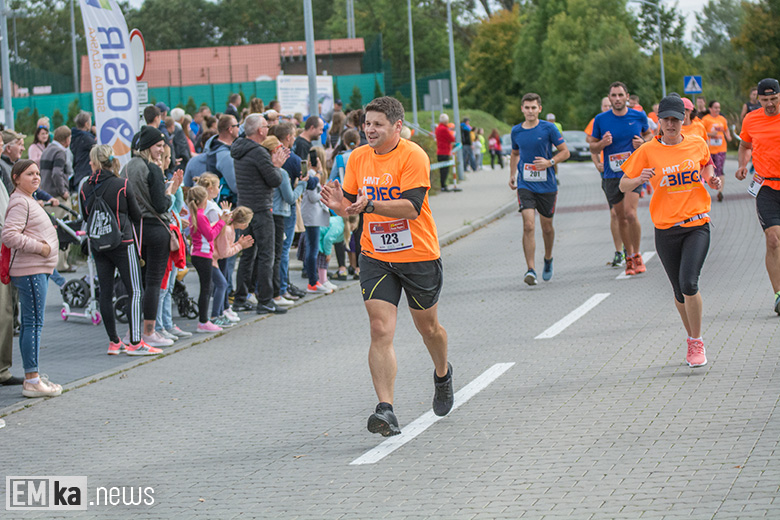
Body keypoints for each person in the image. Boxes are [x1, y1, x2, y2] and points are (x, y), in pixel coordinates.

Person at [321, 96, 453, 437]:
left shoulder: (413, 155)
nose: (369, 129)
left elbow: (411, 207)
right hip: (376, 255)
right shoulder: (358, 158)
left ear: (397, 126)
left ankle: (442, 373)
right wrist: (340, 206)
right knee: (380, 328)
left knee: (429, 329)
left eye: (377, 124)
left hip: (418, 254)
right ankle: (386, 409)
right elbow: (352, 205)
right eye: (367, 123)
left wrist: (370, 205)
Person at [620, 94, 720, 367]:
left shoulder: (697, 143)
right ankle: (690, 338)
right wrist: (638, 179)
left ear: (683, 119)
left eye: (676, 119)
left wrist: (711, 177)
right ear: (659, 122)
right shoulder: (649, 150)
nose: (672, 124)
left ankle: (697, 341)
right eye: (667, 119)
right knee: (678, 291)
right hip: (665, 229)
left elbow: (707, 163)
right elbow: (623, 185)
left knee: (689, 283)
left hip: (697, 224)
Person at [79, 145, 162, 356]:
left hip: (98, 244)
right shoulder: (122, 185)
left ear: (94, 162)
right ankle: (135, 342)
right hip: (123, 243)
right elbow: (136, 215)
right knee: (135, 290)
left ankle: (114, 342)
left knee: (105, 293)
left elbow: (86, 216)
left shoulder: (84, 187)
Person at [1, 160, 62, 397]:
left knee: (32, 324)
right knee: (33, 324)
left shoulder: (26, 200)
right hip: (31, 271)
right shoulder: (19, 202)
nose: (36, 177)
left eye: (37, 173)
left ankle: (33, 377)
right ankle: (32, 379)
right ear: (16, 177)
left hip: (36, 270)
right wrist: (40, 248)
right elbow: (9, 235)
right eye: (29, 174)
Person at [122, 126, 183, 347]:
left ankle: (134, 331)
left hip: (135, 230)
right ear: (148, 146)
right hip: (156, 228)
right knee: (154, 283)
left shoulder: (126, 167)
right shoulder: (153, 169)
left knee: (137, 284)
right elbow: (161, 204)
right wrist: (171, 193)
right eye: (158, 145)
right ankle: (149, 330)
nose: (161, 149)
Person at [588, 81, 654, 276]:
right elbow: (592, 147)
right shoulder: (600, 119)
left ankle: (638, 254)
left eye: (620, 95)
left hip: (633, 172)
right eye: (613, 96)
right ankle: (629, 256)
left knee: (631, 214)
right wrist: (602, 143)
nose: (617, 99)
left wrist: (643, 142)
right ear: (609, 98)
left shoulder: (638, 115)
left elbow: (650, 135)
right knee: (621, 218)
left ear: (627, 96)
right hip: (611, 175)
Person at [509, 93, 570, 285]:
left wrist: (549, 162)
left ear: (539, 109)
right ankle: (531, 269)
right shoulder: (516, 131)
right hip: (525, 184)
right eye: (526, 107)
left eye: (533, 107)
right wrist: (512, 174)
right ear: (522, 109)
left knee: (547, 227)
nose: (530, 111)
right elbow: (514, 153)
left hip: (547, 185)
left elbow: (565, 152)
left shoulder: (549, 128)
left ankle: (548, 258)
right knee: (528, 225)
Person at [232, 114, 288, 314]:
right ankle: (265, 300)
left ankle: (240, 298)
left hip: (245, 208)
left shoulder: (238, 149)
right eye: (266, 125)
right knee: (266, 255)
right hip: (262, 209)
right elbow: (273, 179)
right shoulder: (259, 152)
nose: (269, 128)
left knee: (247, 254)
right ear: (260, 130)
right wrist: (277, 166)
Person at [735, 78, 780, 315]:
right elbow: (744, 146)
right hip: (766, 187)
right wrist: (743, 165)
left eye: (774, 99)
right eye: (765, 100)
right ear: (758, 99)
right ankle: (779, 295)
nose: (770, 104)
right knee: (773, 239)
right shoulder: (751, 119)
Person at [586, 96, 624, 268]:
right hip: (608, 173)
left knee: (628, 213)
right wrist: (597, 164)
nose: (608, 107)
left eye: (610, 105)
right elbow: (592, 147)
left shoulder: (624, 118)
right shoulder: (598, 122)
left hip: (626, 172)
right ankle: (619, 251)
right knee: (615, 213)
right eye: (605, 105)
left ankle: (631, 249)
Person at [187, 186, 228, 332]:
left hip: (200, 253)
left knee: (206, 287)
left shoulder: (195, 215)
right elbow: (210, 235)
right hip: (203, 254)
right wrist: (221, 222)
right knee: (206, 288)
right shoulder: (200, 216)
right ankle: (203, 321)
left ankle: (204, 320)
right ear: (203, 201)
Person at [39, 126, 74, 272]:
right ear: (67, 139)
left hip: (46, 195)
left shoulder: (47, 149)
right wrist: (63, 192)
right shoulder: (60, 152)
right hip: (57, 198)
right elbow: (57, 174)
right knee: (65, 231)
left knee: (51, 232)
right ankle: (62, 265)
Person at [701, 100, 732, 202]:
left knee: (720, 170)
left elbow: (726, 129)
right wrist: (710, 134)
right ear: (710, 109)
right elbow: (701, 132)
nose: (717, 109)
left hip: (721, 149)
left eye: (719, 108)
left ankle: (720, 192)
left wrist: (728, 135)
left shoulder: (722, 119)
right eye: (715, 107)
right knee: (707, 172)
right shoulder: (705, 120)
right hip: (709, 151)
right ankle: (704, 193)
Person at [70, 111, 97, 192]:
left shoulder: (74, 137)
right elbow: (99, 150)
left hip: (77, 174)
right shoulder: (86, 138)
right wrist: (96, 134)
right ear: (86, 124)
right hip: (86, 174)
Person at [435, 114, 456, 191]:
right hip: (445, 151)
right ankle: (443, 186)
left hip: (439, 151)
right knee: (445, 170)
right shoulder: (444, 129)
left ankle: (442, 185)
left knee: (441, 170)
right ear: (446, 121)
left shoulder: (437, 128)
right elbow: (452, 138)